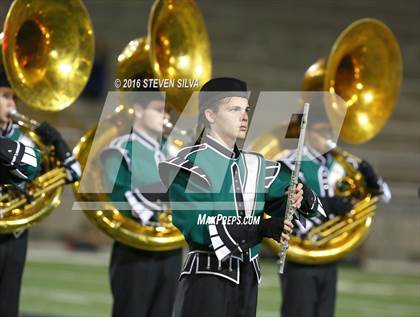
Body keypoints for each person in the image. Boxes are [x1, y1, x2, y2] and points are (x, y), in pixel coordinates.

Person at [159, 77, 325, 317]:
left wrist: (299, 195)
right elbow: (201, 228)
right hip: (207, 282)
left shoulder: (256, 164)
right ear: (210, 115)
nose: (244, 116)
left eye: (246, 109)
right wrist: (261, 227)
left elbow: (298, 205)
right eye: (234, 109)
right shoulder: (188, 166)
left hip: (248, 282)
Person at [279, 122, 391, 317]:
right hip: (301, 255)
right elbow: (284, 201)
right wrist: (328, 204)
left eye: (331, 131)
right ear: (308, 133)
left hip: (330, 255)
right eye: (322, 131)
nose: (329, 136)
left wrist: (372, 180)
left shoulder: (341, 164)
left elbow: (385, 196)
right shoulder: (291, 161)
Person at [0, 66, 80, 317]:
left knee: (8, 308)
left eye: (13, 97)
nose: (11, 103)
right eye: (4, 96)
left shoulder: (25, 138)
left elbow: (74, 172)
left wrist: (58, 144)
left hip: (15, 235)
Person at [101, 87, 182, 317]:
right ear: (138, 110)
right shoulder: (121, 149)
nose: (166, 116)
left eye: (168, 111)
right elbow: (121, 198)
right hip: (135, 250)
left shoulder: (174, 150)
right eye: (159, 110)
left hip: (171, 249)